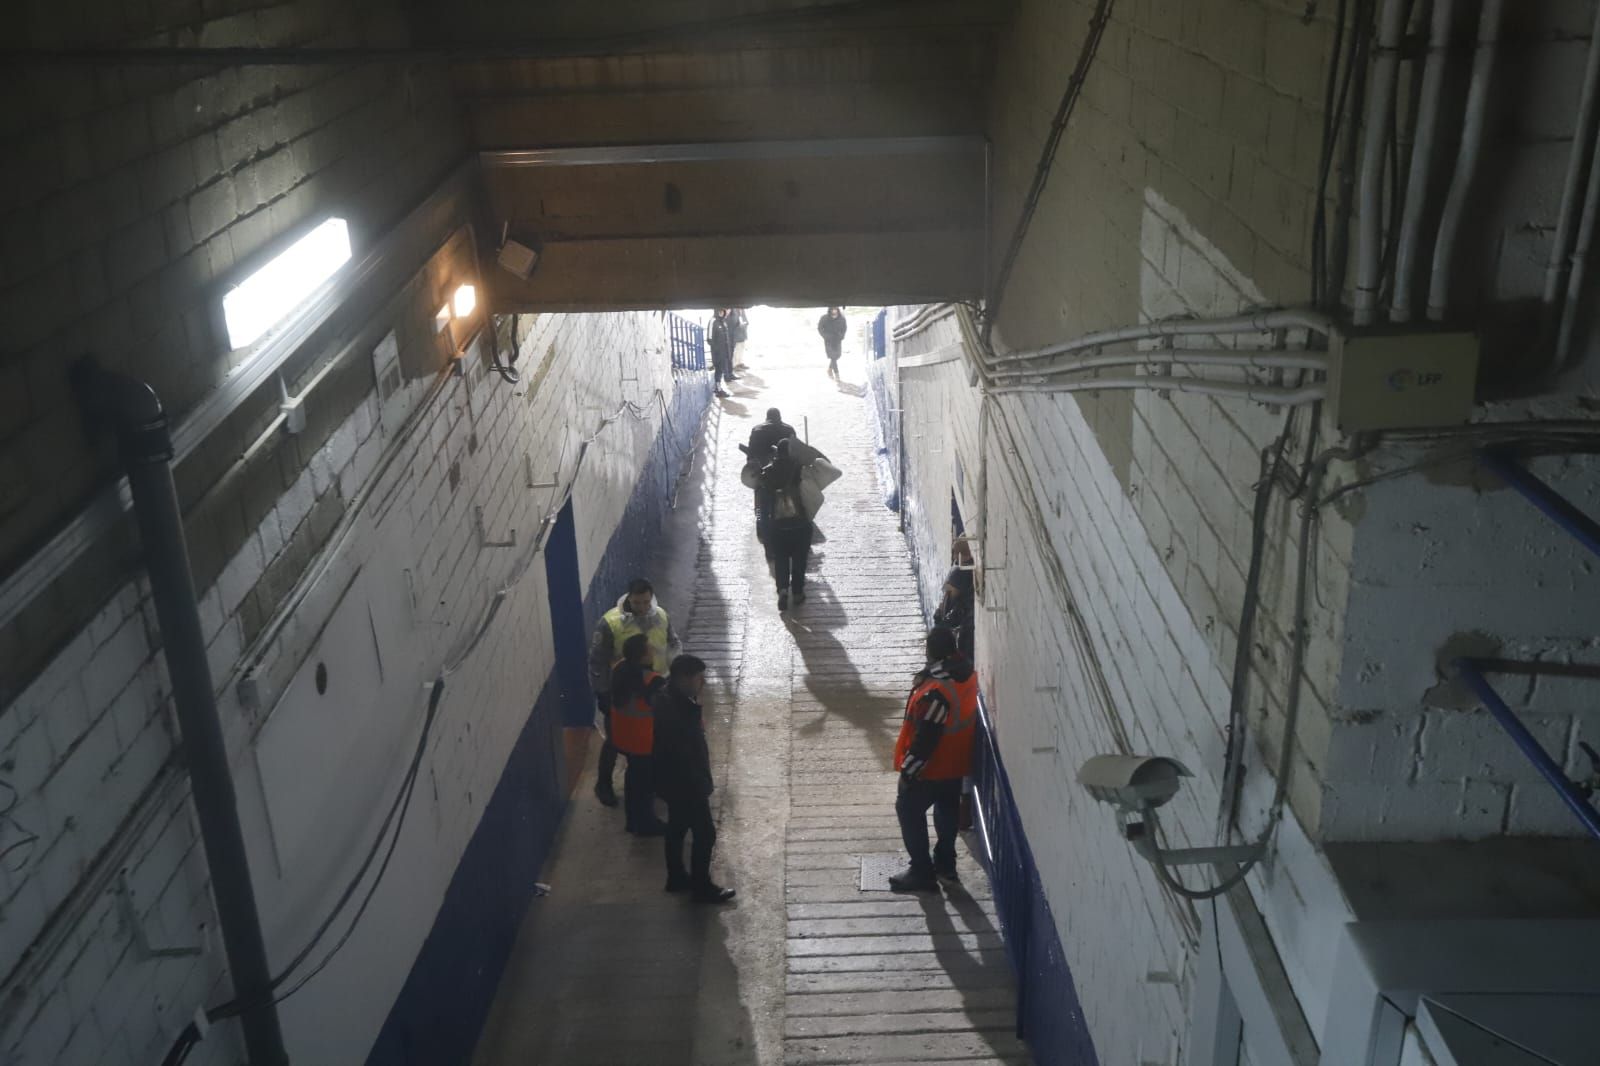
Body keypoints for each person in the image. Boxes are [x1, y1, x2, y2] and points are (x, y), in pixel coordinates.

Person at [889, 626, 979, 892]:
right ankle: (945, 864)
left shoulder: (937, 690)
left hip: (931, 768)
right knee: (946, 812)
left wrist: (909, 769)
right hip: (955, 764)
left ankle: (921, 871)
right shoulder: (966, 673)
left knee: (908, 809)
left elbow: (927, 736)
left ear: (931, 651)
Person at [588, 577, 679, 808]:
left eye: (646, 602)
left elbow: (673, 643)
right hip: (623, 691)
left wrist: (674, 674)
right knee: (614, 739)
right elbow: (597, 661)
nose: (642, 607)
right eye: (637, 602)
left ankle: (656, 782)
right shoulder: (611, 623)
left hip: (656, 686)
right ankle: (604, 784)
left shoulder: (660, 616)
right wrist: (602, 693)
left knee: (655, 737)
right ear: (629, 598)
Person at [652, 654, 736, 903]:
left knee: (677, 827)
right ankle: (701, 888)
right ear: (684, 679)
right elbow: (685, 753)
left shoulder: (669, 700)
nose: (703, 683)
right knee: (705, 834)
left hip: (672, 781)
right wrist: (699, 783)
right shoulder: (678, 711)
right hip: (686, 783)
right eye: (700, 678)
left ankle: (676, 877)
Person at [610, 634, 669, 835]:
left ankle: (633, 821)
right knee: (644, 786)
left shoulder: (619, 669)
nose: (653, 650)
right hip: (645, 740)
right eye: (649, 648)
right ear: (643, 656)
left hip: (625, 737)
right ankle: (645, 824)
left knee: (633, 780)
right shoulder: (652, 680)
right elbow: (663, 708)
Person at [760, 439, 813, 611]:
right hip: (800, 523)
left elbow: (763, 502)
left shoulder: (768, 471)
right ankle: (797, 592)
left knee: (781, 559)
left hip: (778, 525)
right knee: (800, 558)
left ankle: (783, 590)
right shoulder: (800, 468)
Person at [744, 407, 796, 545]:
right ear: (780, 417)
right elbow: (795, 451)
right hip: (785, 474)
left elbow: (751, 456)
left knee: (762, 502)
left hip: (765, 475)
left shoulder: (757, 430)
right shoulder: (789, 429)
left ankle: (767, 538)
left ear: (767, 417)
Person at [933, 536, 975, 660]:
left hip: (966, 632)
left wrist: (940, 620)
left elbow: (953, 615)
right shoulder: (960, 569)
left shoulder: (960, 574)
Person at [709, 308, 736, 397]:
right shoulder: (713, 321)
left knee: (720, 371)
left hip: (724, 353)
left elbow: (726, 338)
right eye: (719, 311)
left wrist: (727, 353)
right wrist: (716, 351)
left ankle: (718, 388)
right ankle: (718, 389)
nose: (721, 312)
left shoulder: (723, 322)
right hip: (717, 354)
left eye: (722, 311)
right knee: (718, 371)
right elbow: (710, 339)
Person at [817, 306, 847, 379]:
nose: (834, 311)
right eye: (832, 309)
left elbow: (845, 328)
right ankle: (837, 374)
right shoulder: (824, 318)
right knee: (832, 356)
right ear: (830, 310)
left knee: (838, 355)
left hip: (837, 339)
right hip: (828, 340)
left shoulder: (842, 318)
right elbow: (820, 328)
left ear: (837, 310)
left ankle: (830, 369)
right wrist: (825, 336)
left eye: (835, 309)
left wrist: (842, 336)